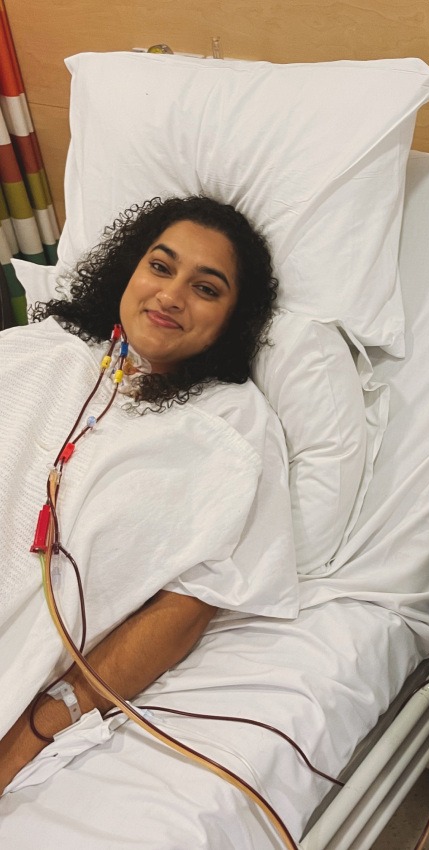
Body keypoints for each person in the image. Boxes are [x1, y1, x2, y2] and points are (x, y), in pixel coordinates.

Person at [0, 197, 299, 794]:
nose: (170, 295)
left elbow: (186, 608)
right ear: (129, 271)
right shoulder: (36, 351)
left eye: (206, 288)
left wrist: (33, 732)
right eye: (160, 268)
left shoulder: (231, 428)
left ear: (234, 317)